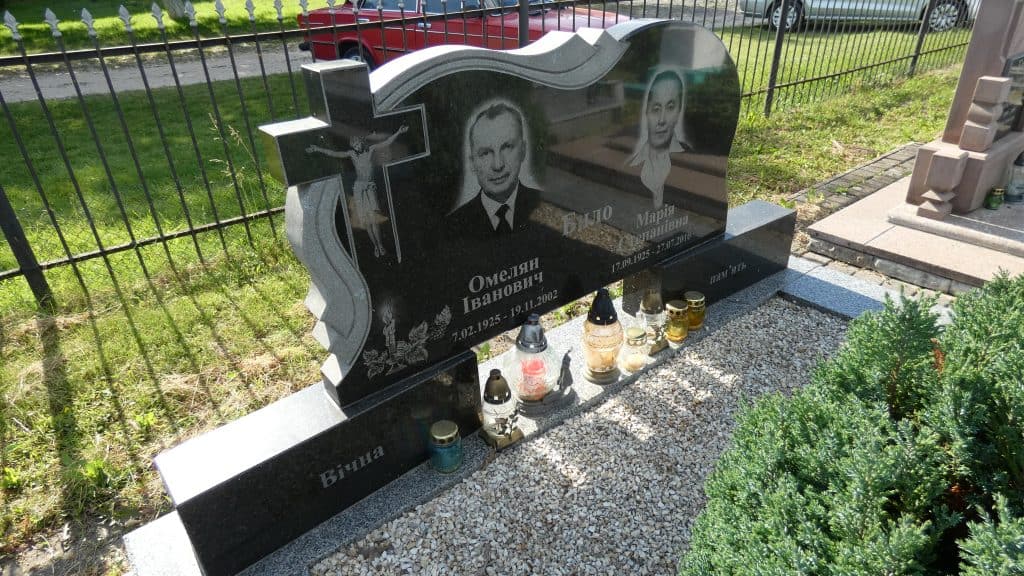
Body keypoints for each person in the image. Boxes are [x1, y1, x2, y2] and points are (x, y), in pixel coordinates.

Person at [306, 125, 409, 258]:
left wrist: (398, 132)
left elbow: (386, 142)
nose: (357, 146)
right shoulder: (352, 154)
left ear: (361, 142)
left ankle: (380, 245)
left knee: (373, 219)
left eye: (358, 143)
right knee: (367, 222)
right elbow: (335, 154)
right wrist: (318, 149)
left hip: (369, 187)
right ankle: (375, 246)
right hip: (359, 188)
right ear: (353, 147)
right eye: (354, 145)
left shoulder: (370, 149)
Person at [448, 102, 541, 236]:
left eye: (507, 147)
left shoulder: (549, 209)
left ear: (523, 150)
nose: (498, 165)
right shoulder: (451, 228)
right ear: (472, 163)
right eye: (485, 153)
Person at [628, 68, 687, 209]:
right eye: (656, 108)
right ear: (646, 112)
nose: (662, 120)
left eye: (670, 107)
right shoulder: (631, 164)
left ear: (679, 112)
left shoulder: (687, 159)